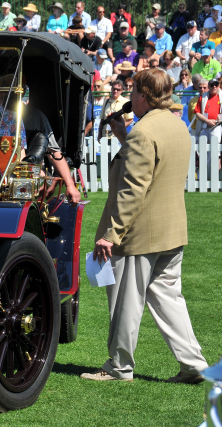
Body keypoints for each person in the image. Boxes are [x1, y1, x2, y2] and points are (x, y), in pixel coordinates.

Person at [82, 69, 209, 384]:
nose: (129, 96)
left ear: (143, 95)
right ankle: (194, 365)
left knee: (127, 301)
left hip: (140, 233)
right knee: (169, 300)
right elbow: (155, 166)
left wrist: (111, 235)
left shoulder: (143, 131)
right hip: (171, 229)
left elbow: (132, 190)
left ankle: (119, 366)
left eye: (132, 90)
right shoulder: (177, 126)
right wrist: (125, 136)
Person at [194, 78, 222, 175]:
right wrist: (207, 120)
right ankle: (203, 175)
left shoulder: (221, 96)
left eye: (216, 85)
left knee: (215, 151)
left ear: (219, 86)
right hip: (204, 127)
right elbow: (197, 113)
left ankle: (213, 175)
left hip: (217, 127)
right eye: (212, 85)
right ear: (209, 87)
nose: (214, 87)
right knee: (202, 151)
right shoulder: (203, 97)